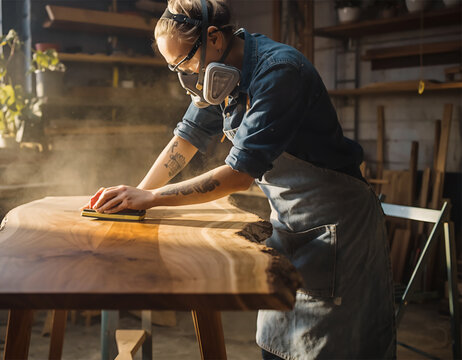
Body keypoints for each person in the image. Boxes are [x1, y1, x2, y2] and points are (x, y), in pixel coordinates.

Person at [89, 0, 396, 358]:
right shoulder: (218, 74)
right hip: (291, 223)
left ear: (214, 38)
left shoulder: (279, 71)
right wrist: (138, 193)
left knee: (329, 347)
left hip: (338, 224)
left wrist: (152, 199)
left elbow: (238, 176)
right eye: (174, 67)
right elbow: (186, 138)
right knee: (277, 341)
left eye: (185, 61)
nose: (184, 74)